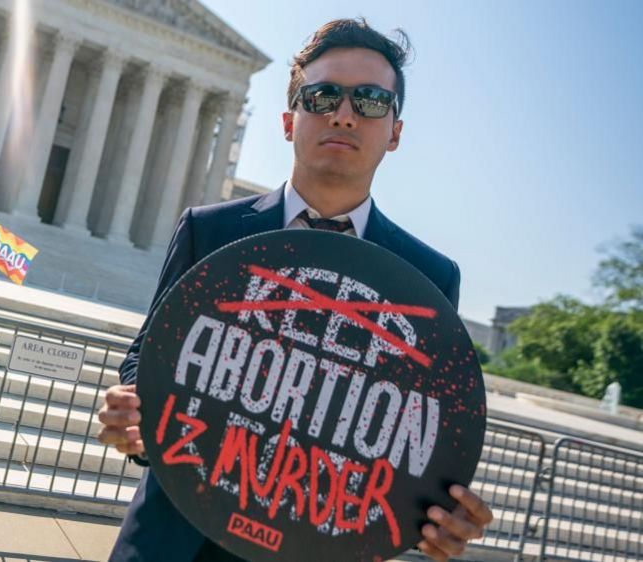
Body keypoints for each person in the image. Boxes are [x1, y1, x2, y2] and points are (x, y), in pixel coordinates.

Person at [97, 18, 493, 562]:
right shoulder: (209, 229)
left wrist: (437, 514)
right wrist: (135, 411)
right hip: (175, 538)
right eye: (323, 95)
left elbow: (417, 424)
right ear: (289, 121)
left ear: (395, 132)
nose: (344, 113)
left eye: (372, 101)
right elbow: (152, 350)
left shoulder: (429, 277)